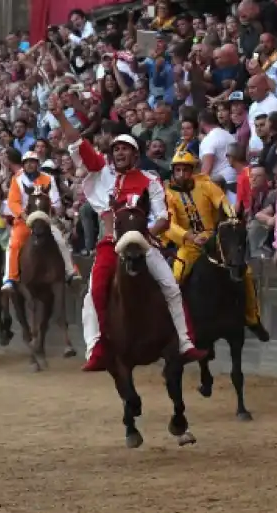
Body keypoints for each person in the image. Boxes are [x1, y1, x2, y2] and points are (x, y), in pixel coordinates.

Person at [68, 130, 208, 371]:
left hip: (143, 242)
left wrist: (147, 235)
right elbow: (79, 144)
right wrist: (60, 115)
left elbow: (163, 218)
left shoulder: (150, 180)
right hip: (112, 244)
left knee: (171, 287)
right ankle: (95, 349)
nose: (119, 152)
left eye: (125, 148)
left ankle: (185, 342)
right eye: (116, 149)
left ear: (135, 154)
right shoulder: (103, 174)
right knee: (93, 293)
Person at [162, 150, 270, 340]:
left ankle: (252, 319)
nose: (181, 174)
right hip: (189, 244)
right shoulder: (168, 194)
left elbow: (222, 201)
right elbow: (169, 225)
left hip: (216, 239)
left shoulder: (205, 184)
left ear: (192, 170)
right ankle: (172, 322)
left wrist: (232, 217)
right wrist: (190, 236)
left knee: (247, 273)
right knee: (177, 275)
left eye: (185, 170)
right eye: (177, 170)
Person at [2, 150, 80, 292]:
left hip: (45, 219)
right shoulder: (17, 179)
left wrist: (52, 209)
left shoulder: (48, 178)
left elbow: (55, 200)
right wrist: (23, 215)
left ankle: (71, 271)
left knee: (61, 241)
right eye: (27, 163)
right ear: (23, 165)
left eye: (33, 162)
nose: (30, 165)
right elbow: (13, 202)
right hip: (24, 220)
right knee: (13, 244)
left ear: (37, 164)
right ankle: (10, 278)